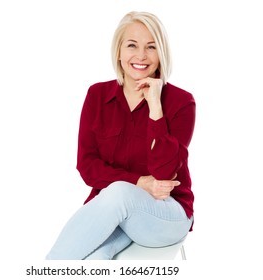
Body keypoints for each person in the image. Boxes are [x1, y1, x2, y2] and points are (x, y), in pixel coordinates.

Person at [46, 11, 195, 260]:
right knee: (93, 259)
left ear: (161, 53)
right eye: (132, 45)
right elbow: (87, 166)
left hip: (166, 213)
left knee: (119, 192)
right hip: (115, 210)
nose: (141, 56)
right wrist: (138, 181)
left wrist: (156, 107)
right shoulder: (97, 95)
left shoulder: (181, 102)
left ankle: (44, 270)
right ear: (118, 51)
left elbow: (164, 173)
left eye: (151, 47)